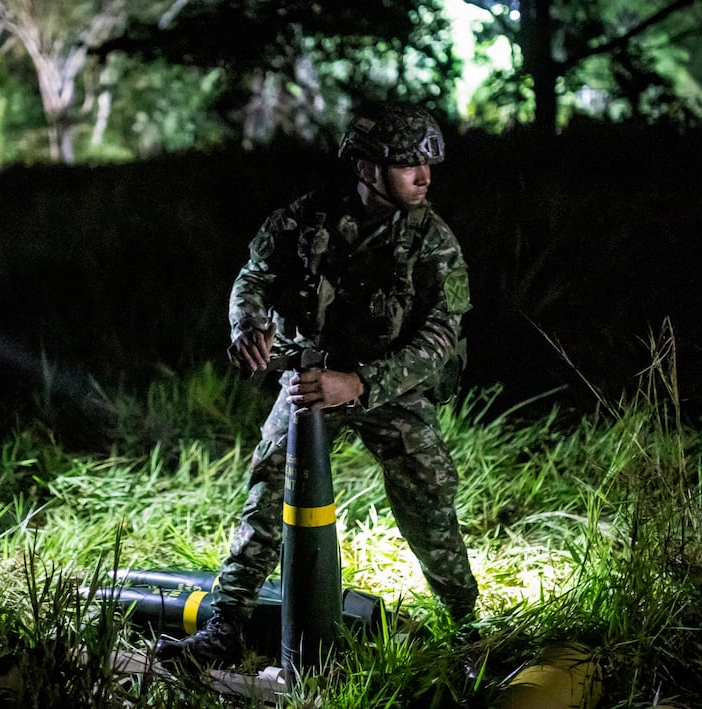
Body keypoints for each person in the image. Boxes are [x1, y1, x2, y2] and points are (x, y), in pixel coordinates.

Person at [155, 102, 478, 668]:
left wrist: (357, 382)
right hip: (311, 375)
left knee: (429, 499)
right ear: (365, 168)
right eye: (408, 164)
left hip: (390, 386)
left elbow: (438, 341)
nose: (424, 177)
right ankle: (224, 626)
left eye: (430, 164)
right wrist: (246, 325)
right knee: (267, 489)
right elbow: (252, 277)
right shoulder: (305, 219)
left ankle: (464, 625)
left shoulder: (435, 241)